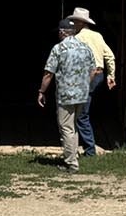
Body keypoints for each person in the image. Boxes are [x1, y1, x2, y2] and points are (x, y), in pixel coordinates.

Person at [38, 18, 96, 173]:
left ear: (63, 32)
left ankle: (71, 163)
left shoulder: (59, 49)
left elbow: (48, 73)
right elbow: (93, 70)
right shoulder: (85, 48)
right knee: (73, 126)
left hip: (65, 95)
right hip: (82, 95)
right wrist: (84, 84)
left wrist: (42, 91)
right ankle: (73, 156)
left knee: (66, 127)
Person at [68, 7, 116, 157]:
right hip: (100, 75)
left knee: (81, 113)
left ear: (81, 23)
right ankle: (85, 145)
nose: (73, 24)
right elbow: (109, 56)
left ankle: (89, 150)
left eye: (75, 21)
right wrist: (111, 76)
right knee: (84, 109)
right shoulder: (98, 36)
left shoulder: (78, 38)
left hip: (86, 76)